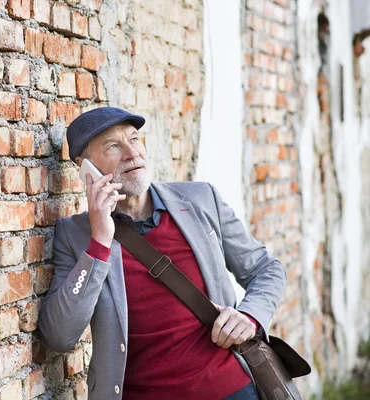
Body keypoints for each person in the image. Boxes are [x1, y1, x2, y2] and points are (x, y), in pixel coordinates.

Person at [38, 107, 287, 400]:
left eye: (135, 139)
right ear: (86, 167)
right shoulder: (76, 235)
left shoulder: (201, 199)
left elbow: (266, 268)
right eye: (113, 146)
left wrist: (250, 316)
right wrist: (100, 243)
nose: (132, 153)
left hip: (230, 389)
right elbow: (59, 336)